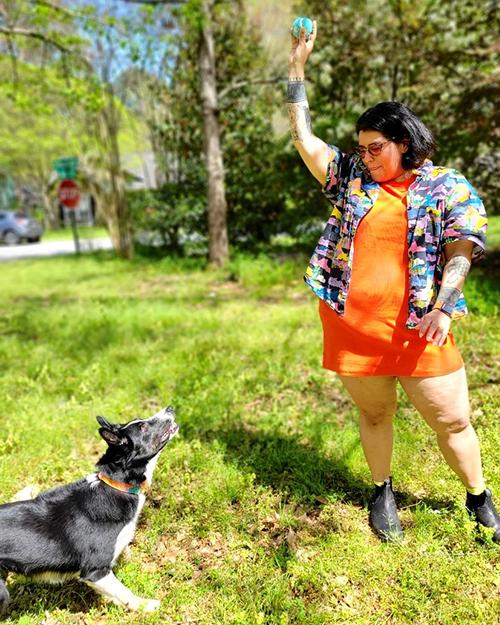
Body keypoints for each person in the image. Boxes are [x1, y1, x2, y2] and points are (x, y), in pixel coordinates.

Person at [287, 20, 499, 543]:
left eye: (376, 147)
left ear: (403, 142)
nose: (366, 156)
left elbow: (463, 245)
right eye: (361, 148)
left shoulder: (446, 185)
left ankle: (478, 496)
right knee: (375, 413)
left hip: (422, 327)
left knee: (452, 420)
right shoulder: (351, 179)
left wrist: (444, 306)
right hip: (353, 326)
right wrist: (296, 70)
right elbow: (304, 138)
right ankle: (381, 490)